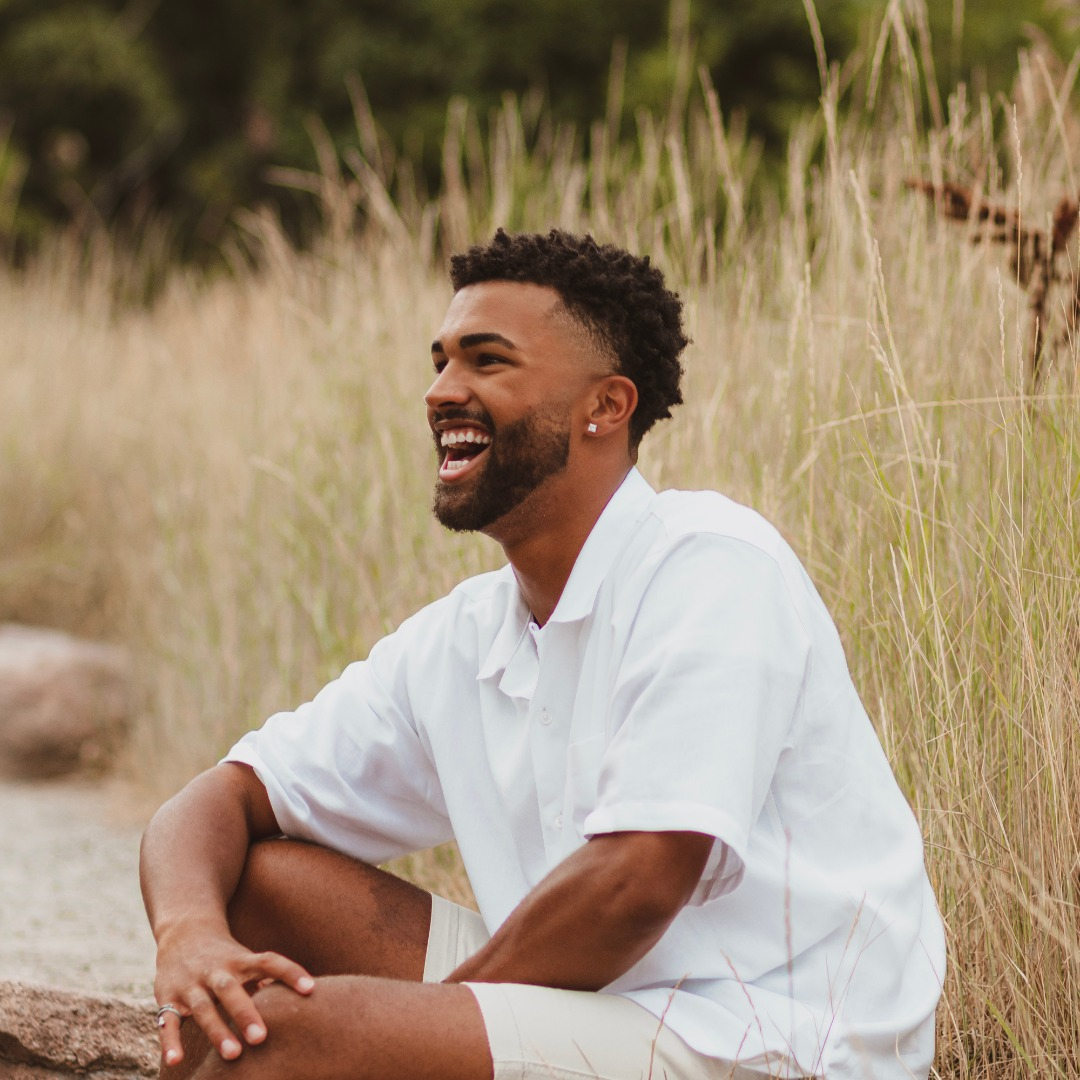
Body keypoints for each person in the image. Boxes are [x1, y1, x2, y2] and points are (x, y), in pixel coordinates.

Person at [140, 228, 945, 1080]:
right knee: (254, 889)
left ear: (607, 406)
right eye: (441, 362)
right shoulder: (466, 633)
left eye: (487, 361)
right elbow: (222, 798)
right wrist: (188, 935)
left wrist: (409, 1033)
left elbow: (636, 884)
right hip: (600, 1009)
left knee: (292, 1038)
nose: (441, 392)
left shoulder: (710, 567)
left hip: (766, 1039)